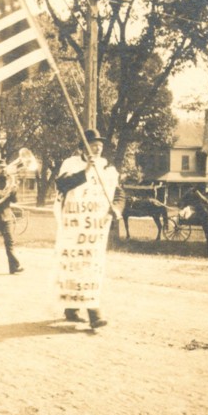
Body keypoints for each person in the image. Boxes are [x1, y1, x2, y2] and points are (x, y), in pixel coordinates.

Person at [54, 129, 125, 329]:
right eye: (93, 145)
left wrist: (116, 209)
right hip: (73, 226)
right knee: (73, 265)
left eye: (100, 146)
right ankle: (82, 310)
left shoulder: (107, 169)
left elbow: (119, 194)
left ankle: (85, 311)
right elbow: (62, 185)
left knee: (91, 266)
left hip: (95, 229)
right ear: (81, 148)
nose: (97, 149)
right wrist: (85, 171)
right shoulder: (70, 164)